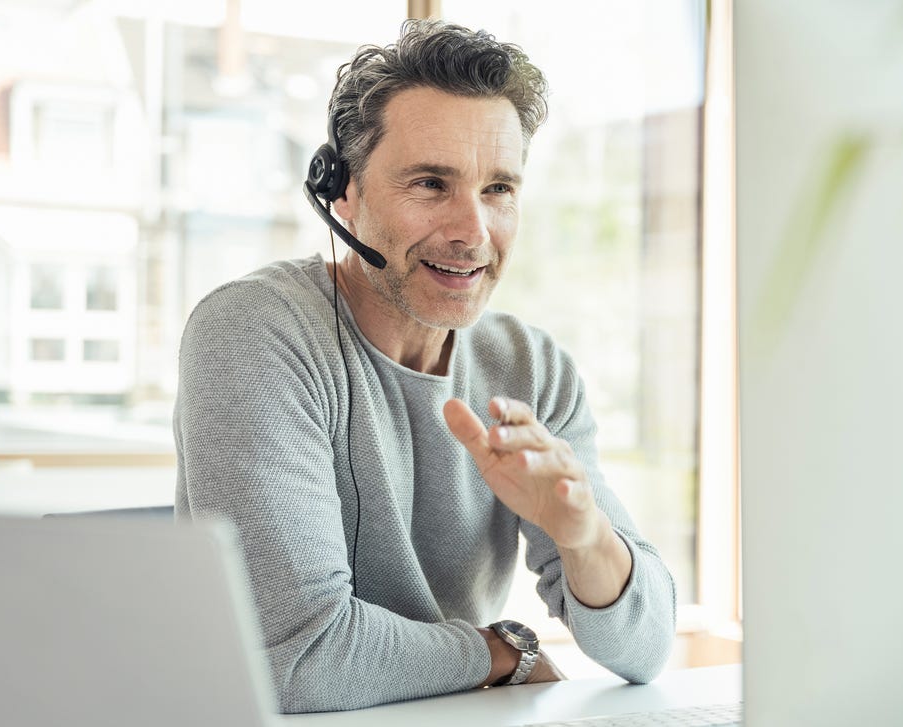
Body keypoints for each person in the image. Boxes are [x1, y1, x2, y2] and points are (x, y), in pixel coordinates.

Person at [173, 19, 676, 713]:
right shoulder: (258, 331)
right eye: (432, 183)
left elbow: (645, 648)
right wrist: (502, 650)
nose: (474, 231)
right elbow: (298, 656)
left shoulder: (530, 367)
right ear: (341, 192)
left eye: (498, 188)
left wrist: (584, 531)